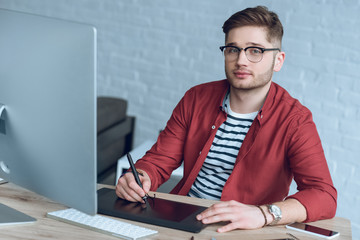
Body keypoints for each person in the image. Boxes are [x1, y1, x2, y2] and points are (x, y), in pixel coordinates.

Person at [116, 5, 337, 232]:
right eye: (233, 49)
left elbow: (323, 195)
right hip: (185, 219)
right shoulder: (196, 98)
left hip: (247, 229)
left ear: (278, 60)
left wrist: (264, 213)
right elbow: (159, 160)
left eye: (255, 51)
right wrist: (139, 177)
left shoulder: (295, 120)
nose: (241, 60)